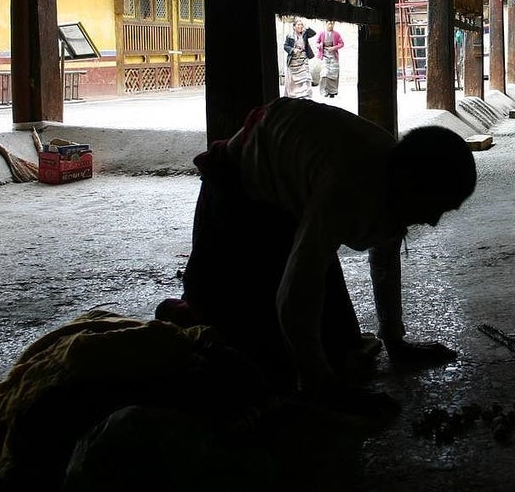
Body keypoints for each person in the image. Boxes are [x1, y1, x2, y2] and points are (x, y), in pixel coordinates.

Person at [156, 97, 477, 414]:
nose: (434, 221)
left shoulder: (398, 176)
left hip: (293, 198)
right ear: (412, 185)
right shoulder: (347, 185)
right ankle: (191, 308)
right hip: (238, 186)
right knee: (261, 362)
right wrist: (323, 389)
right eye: (437, 208)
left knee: (343, 349)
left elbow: (385, 259)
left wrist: (395, 340)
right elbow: (295, 292)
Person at [282, 19, 316, 99]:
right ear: (294, 27)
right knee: (294, 79)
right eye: (298, 25)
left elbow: (313, 33)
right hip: (294, 59)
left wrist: (306, 27)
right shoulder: (290, 36)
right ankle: (295, 94)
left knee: (305, 76)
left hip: (303, 58)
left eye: (301, 25)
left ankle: (305, 94)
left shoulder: (305, 34)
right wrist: (293, 50)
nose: (300, 26)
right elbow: (285, 46)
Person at [315, 20, 344, 98]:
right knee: (324, 72)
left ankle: (333, 91)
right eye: (329, 24)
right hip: (324, 55)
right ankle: (324, 91)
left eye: (332, 24)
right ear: (326, 24)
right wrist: (320, 45)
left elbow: (341, 44)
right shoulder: (322, 33)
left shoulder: (337, 34)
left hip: (333, 55)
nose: (330, 25)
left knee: (333, 73)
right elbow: (317, 42)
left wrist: (334, 48)